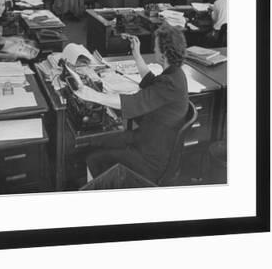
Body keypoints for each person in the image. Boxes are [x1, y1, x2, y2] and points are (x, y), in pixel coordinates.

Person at [76, 24, 189, 182]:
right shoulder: (175, 74)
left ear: (164, 54)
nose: (154, 50)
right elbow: (150, 81)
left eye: (156, 48)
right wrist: (136, 54)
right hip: (150, 141)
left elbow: (133, 102)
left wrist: (92, 95)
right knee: (102, 142)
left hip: (150, 159)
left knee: (94, 157)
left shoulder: (169, 83)